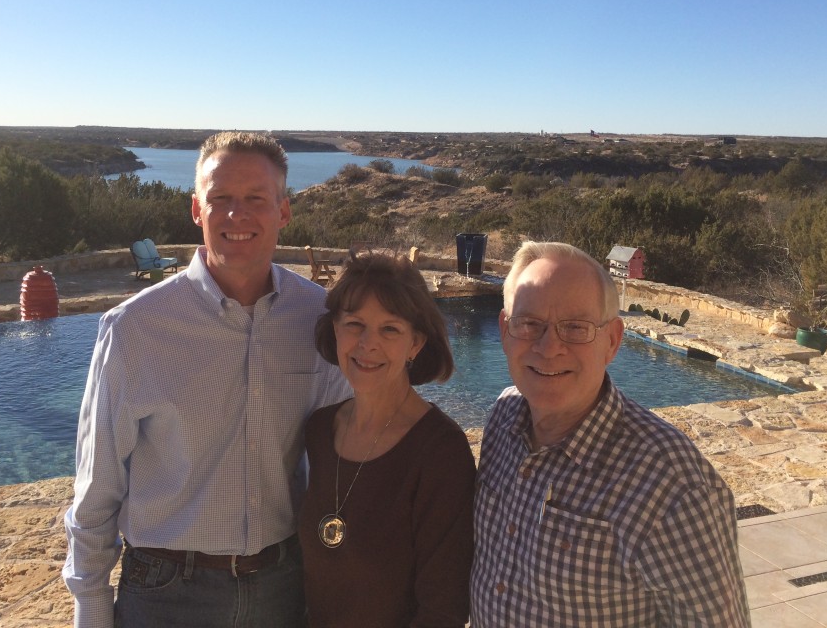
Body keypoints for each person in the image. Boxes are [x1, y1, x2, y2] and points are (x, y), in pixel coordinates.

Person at [62, 131, 350, 628]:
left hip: (283, 585)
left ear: (284, 211)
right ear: (197, 209)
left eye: (256, 199)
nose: (237, 215)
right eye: (220, 199)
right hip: (166, 592)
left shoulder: (319, 318)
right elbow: (98, 484)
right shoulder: (134, 328)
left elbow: (346, 447)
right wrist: (90, 606)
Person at [472, 241, 751, 627]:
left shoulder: (671, 484)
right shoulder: (503, 419)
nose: (549, 346)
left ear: (613, 341)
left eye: (575, 328)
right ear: (505, 330)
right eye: (529, 324)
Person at [298, 252, 476, 627]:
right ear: (335, 329)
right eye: (355, 324)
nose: (367, 344)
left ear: (415, 344)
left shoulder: (440, 451)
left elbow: (443, 608)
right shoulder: (318, 430)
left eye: (390, 329)